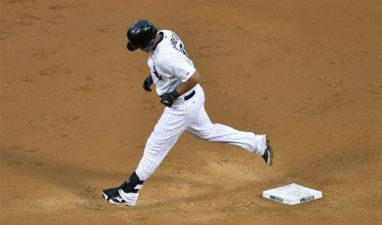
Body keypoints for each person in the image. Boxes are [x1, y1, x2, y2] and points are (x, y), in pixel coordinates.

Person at [102, 19, 273, 206]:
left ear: (149, 42)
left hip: (182, 105)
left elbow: (193, 77)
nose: (140, 50)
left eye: (141, 46)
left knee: (155, 146)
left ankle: (128, 193)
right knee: (207, 131)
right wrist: (153, 76)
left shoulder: (165, 57)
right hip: (194, 98)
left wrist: (173, 94)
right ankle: (257, 143)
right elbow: (174, 65)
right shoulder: (165, 33)